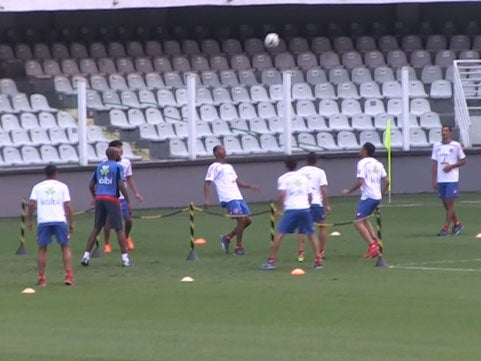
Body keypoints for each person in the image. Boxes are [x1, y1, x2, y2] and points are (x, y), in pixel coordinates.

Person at [261, 157, 322, 270]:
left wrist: (278, 210)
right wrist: (307, 205)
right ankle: (318, 260)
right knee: (311, 234)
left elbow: (282, 195)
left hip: (292, 209)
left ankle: (271, 261)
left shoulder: (283, 178)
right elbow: (310, 196)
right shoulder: (304, 178)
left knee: (280, 234)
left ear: (286, 166)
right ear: (296, 165)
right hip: (305, 209)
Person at [81, 147, 133, 267]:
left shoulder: (99, 167)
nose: (120, 154)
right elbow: (121, 184)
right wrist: (127, 200)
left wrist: (95, 196)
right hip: (112, 199)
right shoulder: (118, 167)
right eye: (118, 153)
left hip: (100, 197)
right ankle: (125, 259)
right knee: (119, 228)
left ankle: (86, 256)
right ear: (115, 155)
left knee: (96, 228)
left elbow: (91, 185)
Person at [203, 145, 259, 255]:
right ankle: (238, 248)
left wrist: (250, 186)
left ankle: (227, 237)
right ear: (216, 153)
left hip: (238, 196)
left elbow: (237, 182)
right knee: (241, 220)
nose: (224, 150)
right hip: (228, 198)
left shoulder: (229, 166)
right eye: (221, 149)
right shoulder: (214, 166)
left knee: (248, 220)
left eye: (224, 148)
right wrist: (207, 199)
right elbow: (207, 183)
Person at [28, 165, 75, 286]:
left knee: (42, 248)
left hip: (44, 221)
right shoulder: (62, 186)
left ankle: (42, 278)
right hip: (59, 220)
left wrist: (30, 220)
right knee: (65, 247)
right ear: (56, 173)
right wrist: (72, 223)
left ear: (45, 174)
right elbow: (68, 206)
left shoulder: (38, 187)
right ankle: (69, 276)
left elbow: (31, 204)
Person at [342, 142, 389, 259]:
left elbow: (360, 182)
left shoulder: (362, 163)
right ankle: (375, 242)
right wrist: (381, 194)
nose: (360, 151)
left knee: (358, 222)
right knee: (365, 220)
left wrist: (349, 191)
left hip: (368, 196)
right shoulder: (378, 164)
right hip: (376, 196)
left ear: (365, 151)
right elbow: (387, 181)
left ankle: (372, 246)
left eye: (361, 149)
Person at [103, 140, 143, 253]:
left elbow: (129, 178)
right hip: (109, 196)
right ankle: (107, 243)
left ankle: (126, 238)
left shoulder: (126, 162)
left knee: (128, 220)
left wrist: (136, 193)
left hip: (122, 197)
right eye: (119, 149)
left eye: (121, 148)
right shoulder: (104, 163)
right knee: (108, 222)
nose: (121, 151)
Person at [431, 125, 467, 236]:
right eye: (442, 130)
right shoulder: (436, 146)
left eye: (446, 131)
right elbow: (434, 163)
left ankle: (445, 228)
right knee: (445, 204)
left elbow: (463, 160)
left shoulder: (456, 145)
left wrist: (451, 166)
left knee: (450, 203)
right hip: (441, 179)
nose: (444, 132)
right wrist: (434, 179)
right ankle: (457, 224)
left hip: (452, 178)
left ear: (450, 133)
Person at [296, 152, 331, 262]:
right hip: (316, 203)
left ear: (306, 160)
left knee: (302, 228)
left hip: (303, 203)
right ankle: (321, 251)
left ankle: (301, 253)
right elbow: (323, 190)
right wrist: (327, 205)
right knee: (322, 226)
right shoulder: (320, 172)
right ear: (316, 161)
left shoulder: (299, 172)